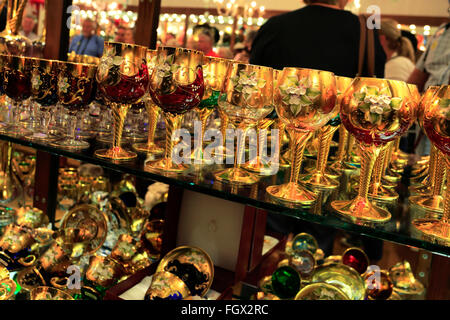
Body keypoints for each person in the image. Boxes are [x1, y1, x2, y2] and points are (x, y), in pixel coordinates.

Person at [250, 0, 386, 262]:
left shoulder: (277, 26)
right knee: (316, 239)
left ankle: (262, 284)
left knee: (266, 234)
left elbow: (258, 86)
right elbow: (373, 93)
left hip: (276, 146)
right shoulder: (364, 33)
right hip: (334, 154)